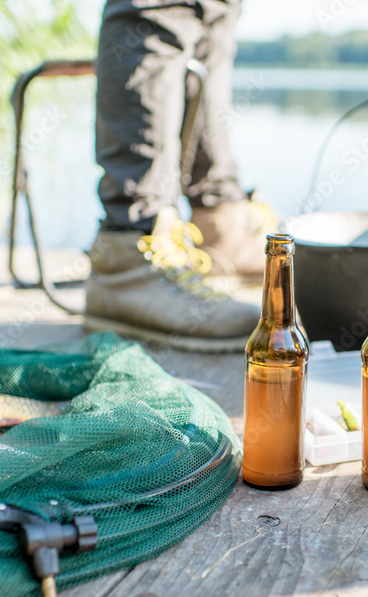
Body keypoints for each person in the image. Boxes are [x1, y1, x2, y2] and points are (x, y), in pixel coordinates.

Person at [84, 0, 272, 352]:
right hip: (134, 244)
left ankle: (218, 221)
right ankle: (130, 253)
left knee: (214, 12)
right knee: (158, 6)